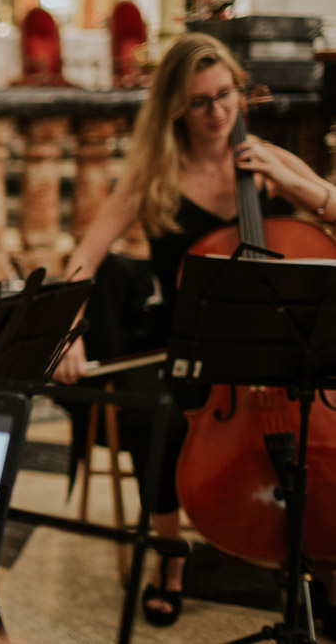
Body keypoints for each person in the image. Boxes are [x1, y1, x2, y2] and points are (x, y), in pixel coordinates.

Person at [53, 32, 336, 627]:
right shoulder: (154, 176)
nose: (217, 113)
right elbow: (84, 259)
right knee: (149, 415)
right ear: (176, 108)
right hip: (191, 343)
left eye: (225, 95)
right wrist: (69, 334)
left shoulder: (265, 160)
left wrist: (299, 188)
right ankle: (170, 558)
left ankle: (323, 559)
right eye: (200, 102)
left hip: (276, 338)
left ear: (239, 88)